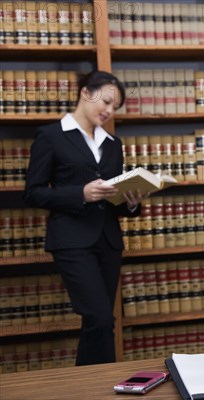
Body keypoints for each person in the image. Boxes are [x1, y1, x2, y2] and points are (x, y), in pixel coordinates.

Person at [24, 71, 146, 365]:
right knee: (99, 318)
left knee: (101, 322)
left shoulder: (112, 144)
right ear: (85, 93)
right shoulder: (51, 136)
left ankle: (91, 386)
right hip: (71, 240)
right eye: (105, 101)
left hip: (108, 241)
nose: (108, 110)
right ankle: (99, 387)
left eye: (114, 107)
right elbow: (33, 193)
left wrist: (130, 203)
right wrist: (80, 193)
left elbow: (113, 201)